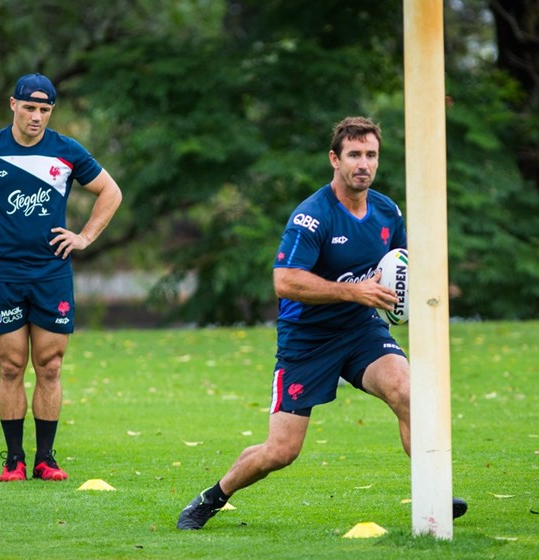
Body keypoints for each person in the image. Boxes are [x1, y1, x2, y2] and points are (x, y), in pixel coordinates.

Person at [176, 116, 467, 530]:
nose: (363, 164)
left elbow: (404, 265)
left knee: (408, 391)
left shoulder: (388, 211)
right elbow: (284, 281)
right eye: (354, 155)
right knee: (281, 451)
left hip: (362, 330)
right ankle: (214, 496)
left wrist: (423, 293)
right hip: (307, 340)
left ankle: (432, 490)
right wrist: (355, 291)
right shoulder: (311, 217)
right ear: (335, 159)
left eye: (371, 155)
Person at [0, 73, 122, 482]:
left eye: (44, 110)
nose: (36, 117)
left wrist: (85, 236)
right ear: (13, 105)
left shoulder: (67, 151)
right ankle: (13, 459)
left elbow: (111, 192)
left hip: (52, 272)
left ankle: (45, 459)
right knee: (11, 367)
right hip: (4, 272)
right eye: (29, 108)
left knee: (49, 366)